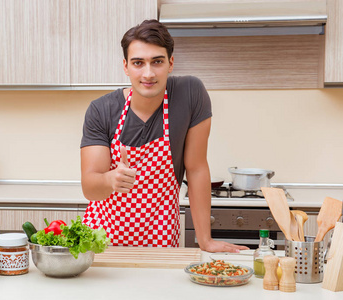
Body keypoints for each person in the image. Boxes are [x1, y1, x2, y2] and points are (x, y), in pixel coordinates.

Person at [80, 19, 248, 253]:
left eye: (156, 62)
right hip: (104, 242)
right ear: (125, 66)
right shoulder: (102, 110)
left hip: (161, 239)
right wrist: (110, 180)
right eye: (138, 63)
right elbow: (89, 186)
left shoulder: (190, 94)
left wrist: (205, 240)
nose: (148, 74)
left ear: (170, 63)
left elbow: (197, 167)